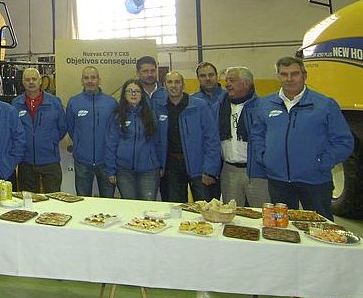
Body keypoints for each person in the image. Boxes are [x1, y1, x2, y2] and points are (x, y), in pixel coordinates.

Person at [249, 56, 354, 298]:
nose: (289, 79)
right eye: (284, 74)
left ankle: (334, 291)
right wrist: (265, 158)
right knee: (282, 234)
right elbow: (257, 135)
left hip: (314, 183)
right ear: (278, 76)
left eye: (294, 74)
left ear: (304, 75)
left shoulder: (324, 105)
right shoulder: (266, 105)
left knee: (324, 237)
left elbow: (343, 142)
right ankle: (290, 283)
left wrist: (319, 163)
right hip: (279, 182)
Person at [155, 71, 221, 203]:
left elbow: (212, 138)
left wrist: (210, 170)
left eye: (177, 82)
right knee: (177, 210)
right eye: (169, 82)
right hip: (172, 168)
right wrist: (160, 166)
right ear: (164, 86)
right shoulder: (159, 108)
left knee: (204, 210)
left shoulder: (199, 106)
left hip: (199, 168)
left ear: (183, 85)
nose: (173, 86)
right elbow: (156, 140)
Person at [218, 66, 270, 207]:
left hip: (256, 171)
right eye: (226, 80)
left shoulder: (262, 107)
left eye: (232, 80)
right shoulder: (220, 105)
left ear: (247, 83)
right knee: (231, 216)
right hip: (229, 170)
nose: (227, 84)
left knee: (261, 214)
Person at [12, 68, 67, 193]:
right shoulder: (16, 104)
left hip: (50, 160)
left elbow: (63, 127)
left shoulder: (54, 102)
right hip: (26, 160)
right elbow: (13, 131)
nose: (31, 82)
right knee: (29, 200)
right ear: (23, 82)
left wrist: (50, 141)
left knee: (54, 198)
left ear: (40, 81)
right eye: (27, 79)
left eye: (34, 79)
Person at [66, 66, 118, 197]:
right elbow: (71, 128)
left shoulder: (111, 103)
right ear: (82, 81)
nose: (90, 81)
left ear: (99, 80)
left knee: (108, 202)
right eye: (86, 78)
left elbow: (115, 131)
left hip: (106, 162)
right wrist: (79, 144)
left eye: (93, 77)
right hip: (82, 162)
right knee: (83, 201)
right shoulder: (74, 102)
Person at [106, 79, 163, 200]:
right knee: (130, 206)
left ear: (142, 94)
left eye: (137, 91)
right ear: (124, 94)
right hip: (124, 171)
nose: (133, 94)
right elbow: (111, 144)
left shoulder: (152, 114)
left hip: (149, 170)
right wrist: (111, 170)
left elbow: (159, 142)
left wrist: (161, 164)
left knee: (148, 206)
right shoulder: (117, 116)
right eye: (129, 91)